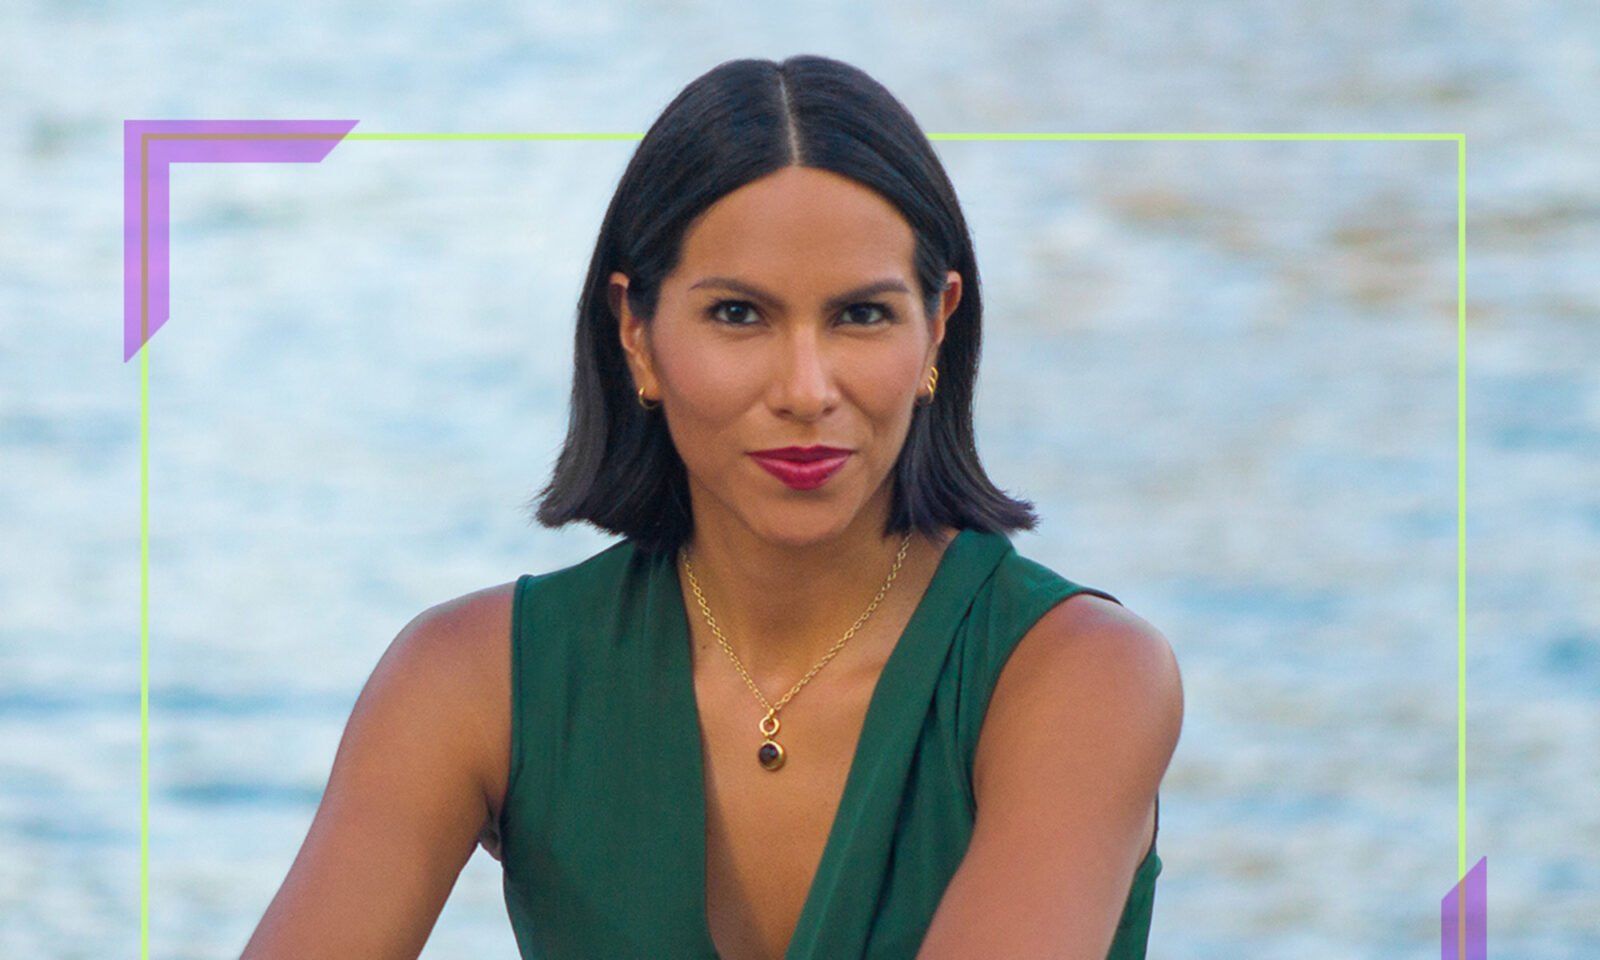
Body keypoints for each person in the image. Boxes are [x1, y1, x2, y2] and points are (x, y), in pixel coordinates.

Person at [242, 54, 1183, 960]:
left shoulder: (1079, 676)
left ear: (937, 327)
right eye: (739, 314)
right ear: (637, 334)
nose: (806, 390)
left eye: (861, 315)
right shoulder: (472, 681)